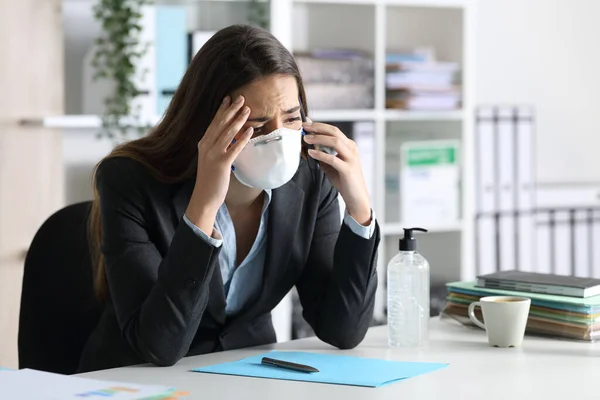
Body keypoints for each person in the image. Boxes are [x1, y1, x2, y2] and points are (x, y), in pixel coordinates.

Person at [78, 24, 380, 373]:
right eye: (257, 125)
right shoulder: (129, 180)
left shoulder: (311, 178)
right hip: (137, 378)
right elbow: (160, 347)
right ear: (207, 123)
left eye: (292, 118)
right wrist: (203, 208)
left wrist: (359, 209)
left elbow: (343, 330)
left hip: (248, 374)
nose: (279, 138)